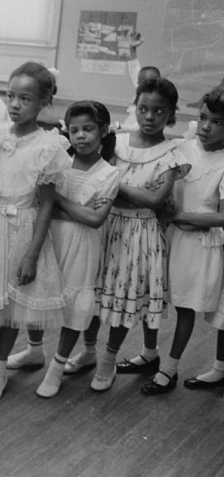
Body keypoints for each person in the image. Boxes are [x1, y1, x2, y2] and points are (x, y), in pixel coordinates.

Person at [0, 62, 70, 403]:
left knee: (11, 307)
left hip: (21, 229)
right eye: (10, 96)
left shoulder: (48, 146)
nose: (15, 104)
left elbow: (47, 204)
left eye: (25, 98)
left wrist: (32, 253)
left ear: (44, 100)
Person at [91, 78, 190, 392]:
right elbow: (93, 179)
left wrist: (114, 184)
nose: (150, 117)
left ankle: (108, 359)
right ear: (135, 106)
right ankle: (85, 352)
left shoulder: (172, 152)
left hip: (141, 234)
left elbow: (154, 200)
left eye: (159, 111)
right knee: (94, 293)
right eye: (144, 109)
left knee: (126, 297)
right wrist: (119, 189)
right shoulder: (116, 142)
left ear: (170, 114)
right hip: (107, 225)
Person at [34, 101, 121, 398]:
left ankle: (57, 367)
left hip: (83, 246)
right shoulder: (58, 162)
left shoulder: (109, 173)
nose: (80, 136)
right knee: (40, 294)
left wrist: (57, 200)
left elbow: (95, 220)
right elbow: (39, 206)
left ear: (103, 131)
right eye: (74, 130)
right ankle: (35, 350)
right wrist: (71, 209)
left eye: (88, 129)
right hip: (50, 238)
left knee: (75, 304)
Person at [141, 85, 224, 395]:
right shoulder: (183, 148)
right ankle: (150, 353)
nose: (205, 126)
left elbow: (221, 217)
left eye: (217, 122)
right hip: (169, 237)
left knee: (186, 308)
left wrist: (177, 217)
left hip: (200, 246)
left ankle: (169, 369)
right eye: (203, 118)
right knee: (154, 296)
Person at [120, 31, 161, 132]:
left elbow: (140, 127)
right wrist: (132, 49)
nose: (140, 85)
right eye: (139, 83)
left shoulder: (158, 100)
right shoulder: (142, 89)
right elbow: (135, 69)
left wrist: (118, 127)